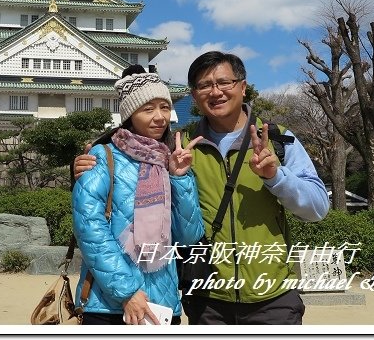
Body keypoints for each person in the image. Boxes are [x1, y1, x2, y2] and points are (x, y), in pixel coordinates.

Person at [74, 52, 329, 325]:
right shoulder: (179, 148)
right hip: (206, 299)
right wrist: (81, 165)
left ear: (243, 87)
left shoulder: (277, 139)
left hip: (272, 295)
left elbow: (317, 208)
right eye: (204, 85)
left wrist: (276, 176)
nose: (215, 92)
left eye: (224, 82)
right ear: (194, 96)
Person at [72, 65, 205, 326]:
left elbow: (189, 236)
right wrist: (127, 292)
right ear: (130, 114)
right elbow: (89, 229)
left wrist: (179, 178)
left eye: (164, 108)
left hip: (162, 304)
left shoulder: (168, 161)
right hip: (108, 305)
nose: (159, 117)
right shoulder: (102, 157)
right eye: (148, 109)